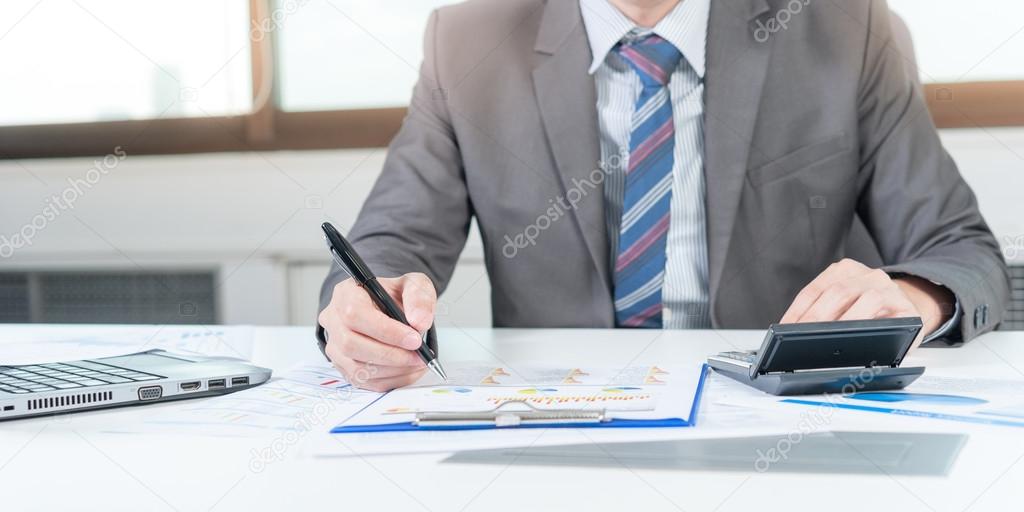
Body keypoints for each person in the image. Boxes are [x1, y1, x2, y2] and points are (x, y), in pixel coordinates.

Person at [317, 0, 1010, 391]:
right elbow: (390, 240)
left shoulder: (846, 27)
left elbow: (961, 253)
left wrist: (910, 298)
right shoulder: (467, 39)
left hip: (783, 415)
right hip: (559, 417)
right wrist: (360, 308)